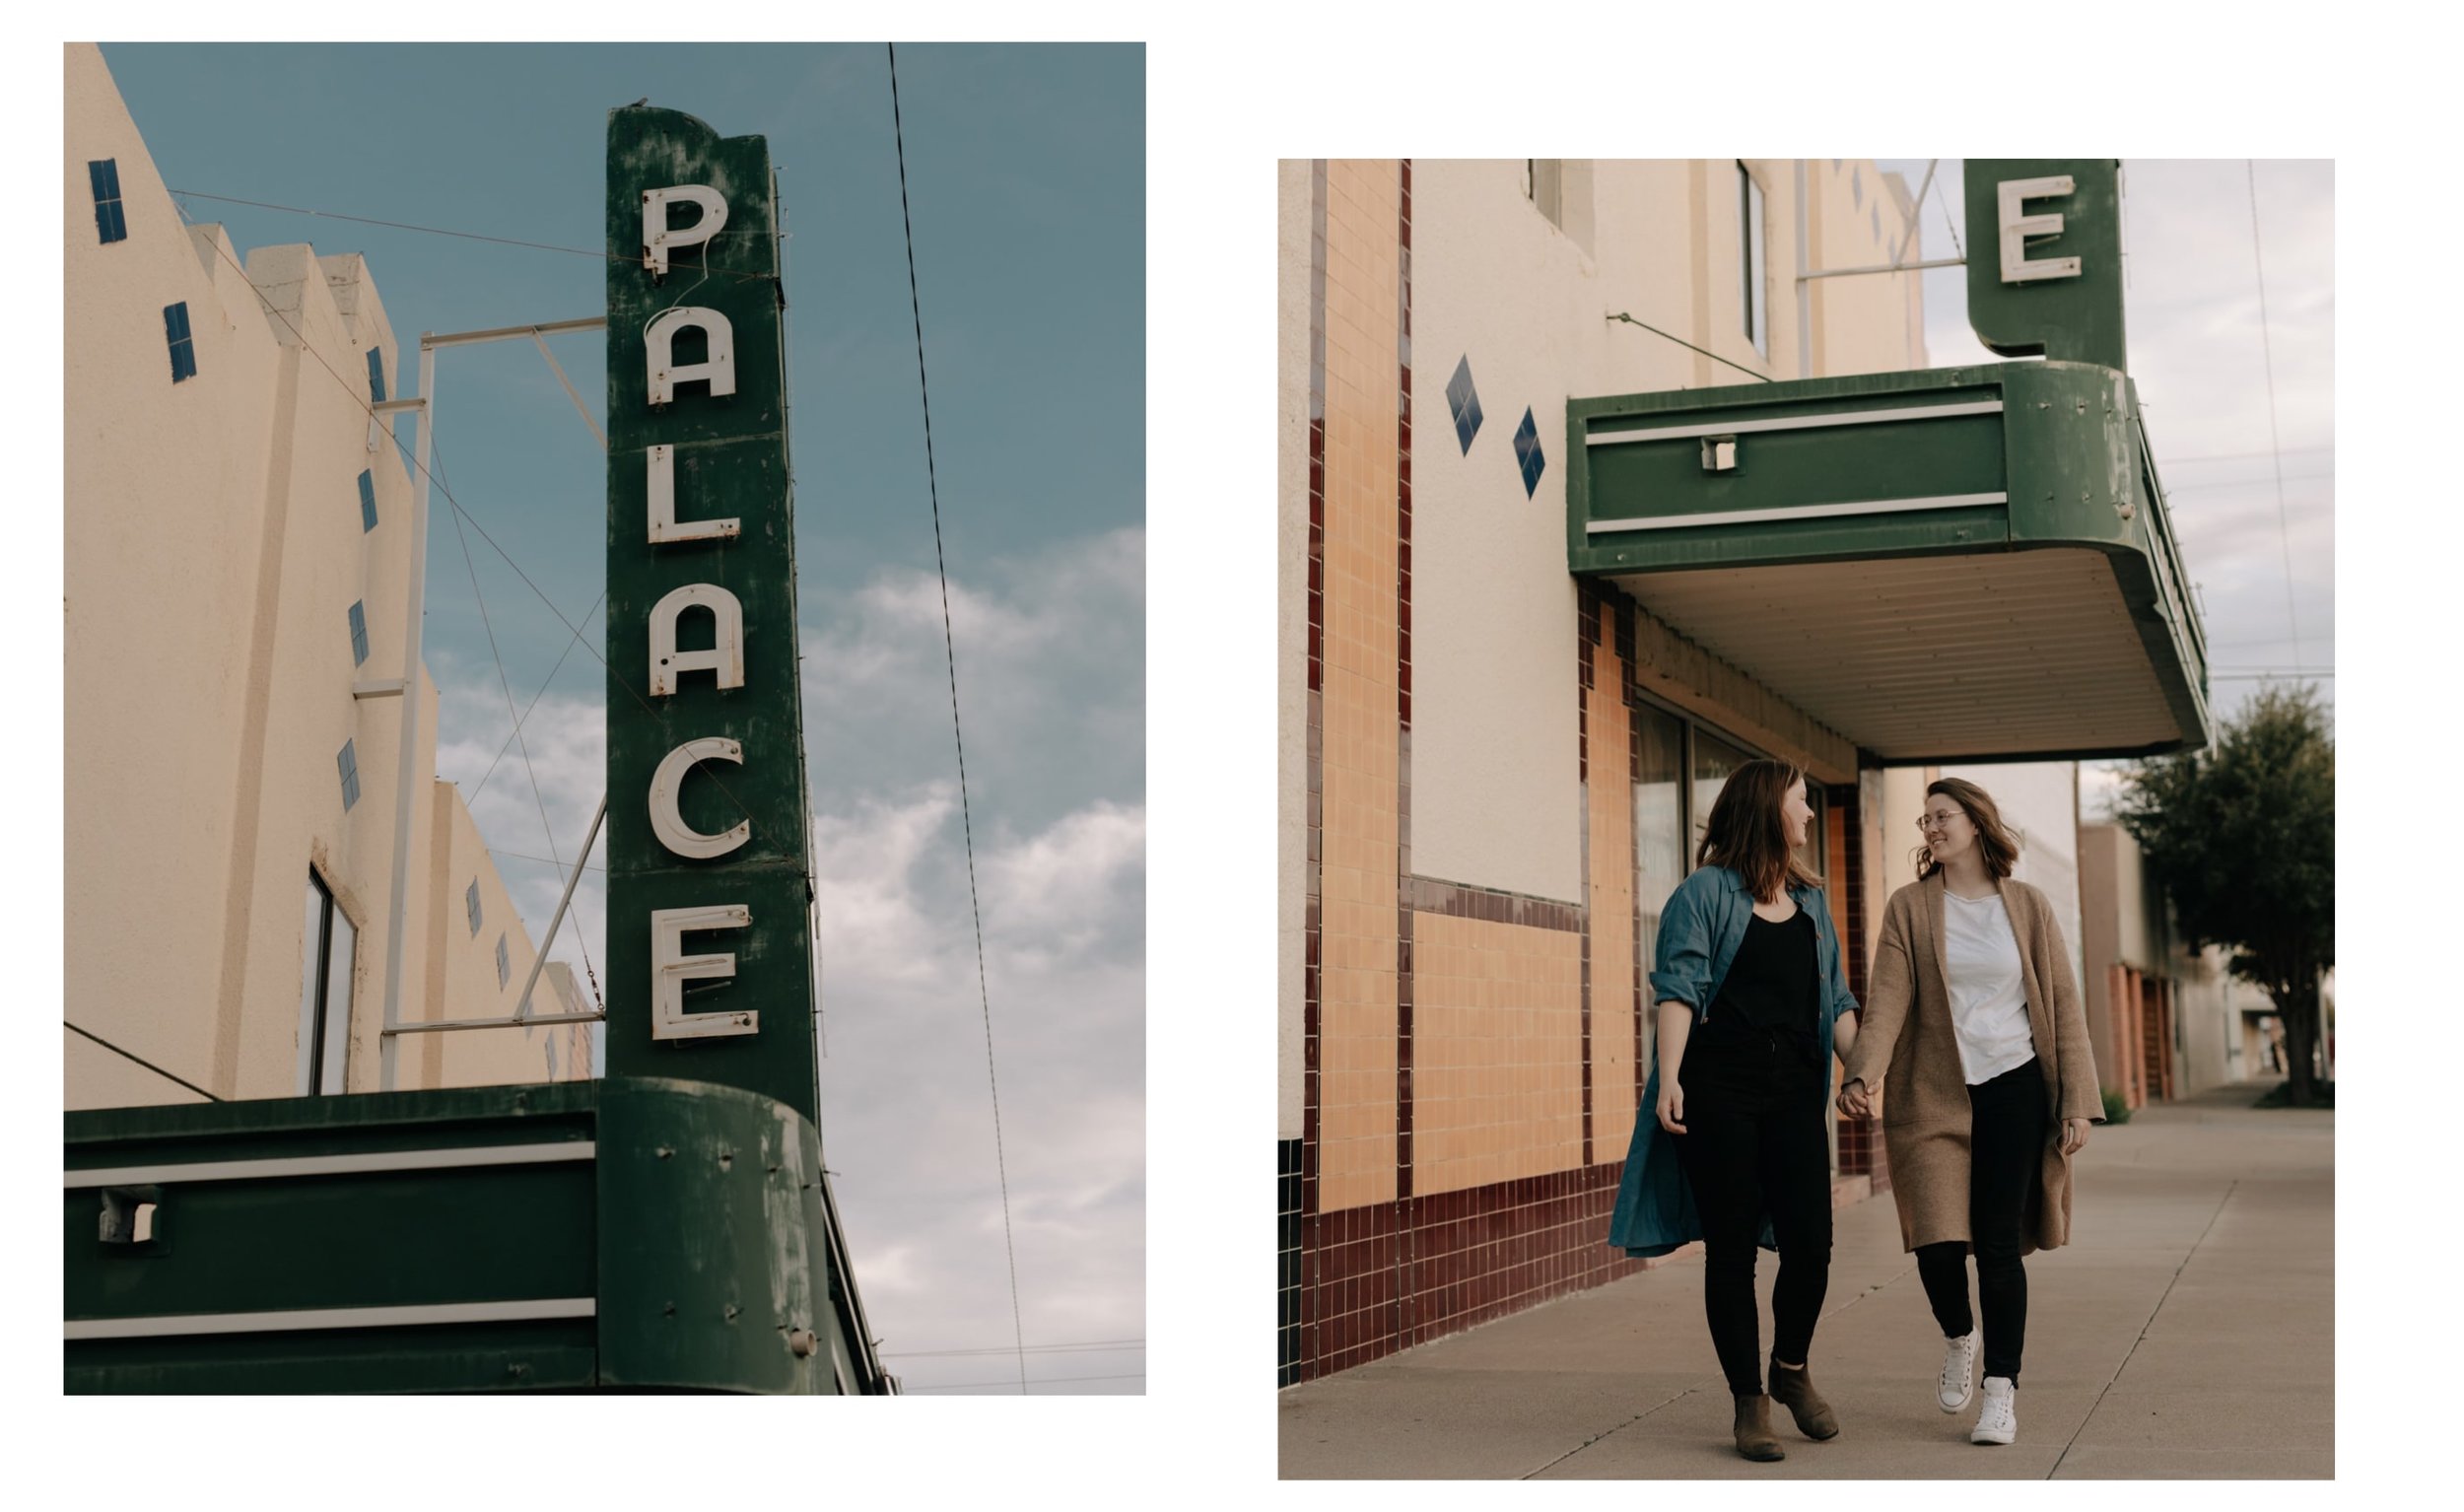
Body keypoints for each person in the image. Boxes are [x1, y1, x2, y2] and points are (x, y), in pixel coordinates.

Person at [1607, 758, 1860, 1463]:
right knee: (1733, 1249)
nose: (1809, 814)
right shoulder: (1704, 893)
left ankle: (1791, 1370)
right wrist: (1670, 1080)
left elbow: (1836, 1000)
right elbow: (1679, 988)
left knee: (1812, 1242)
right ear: (1767, 807)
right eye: (1801, 802)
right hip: (1721, 1091)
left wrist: (1864, 1068)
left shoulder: (1811, 904)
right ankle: (1749, 1400)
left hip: (1794, 1096)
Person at [1836, 779, 2101, 1447]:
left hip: (2014, 1089)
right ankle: (1960, 1336)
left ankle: (2000, 1392)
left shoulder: (2029, 906)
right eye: (1924, 820)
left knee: (1997, 1244)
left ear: (1977, 823)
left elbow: (2064, 1007)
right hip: (1931, 1094)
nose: (1930, 828)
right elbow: (1889, 998)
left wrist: (2078, 1102)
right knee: (1935, 1240)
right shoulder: (1911, 908)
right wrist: (1862, 1072)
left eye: (1942, 816)